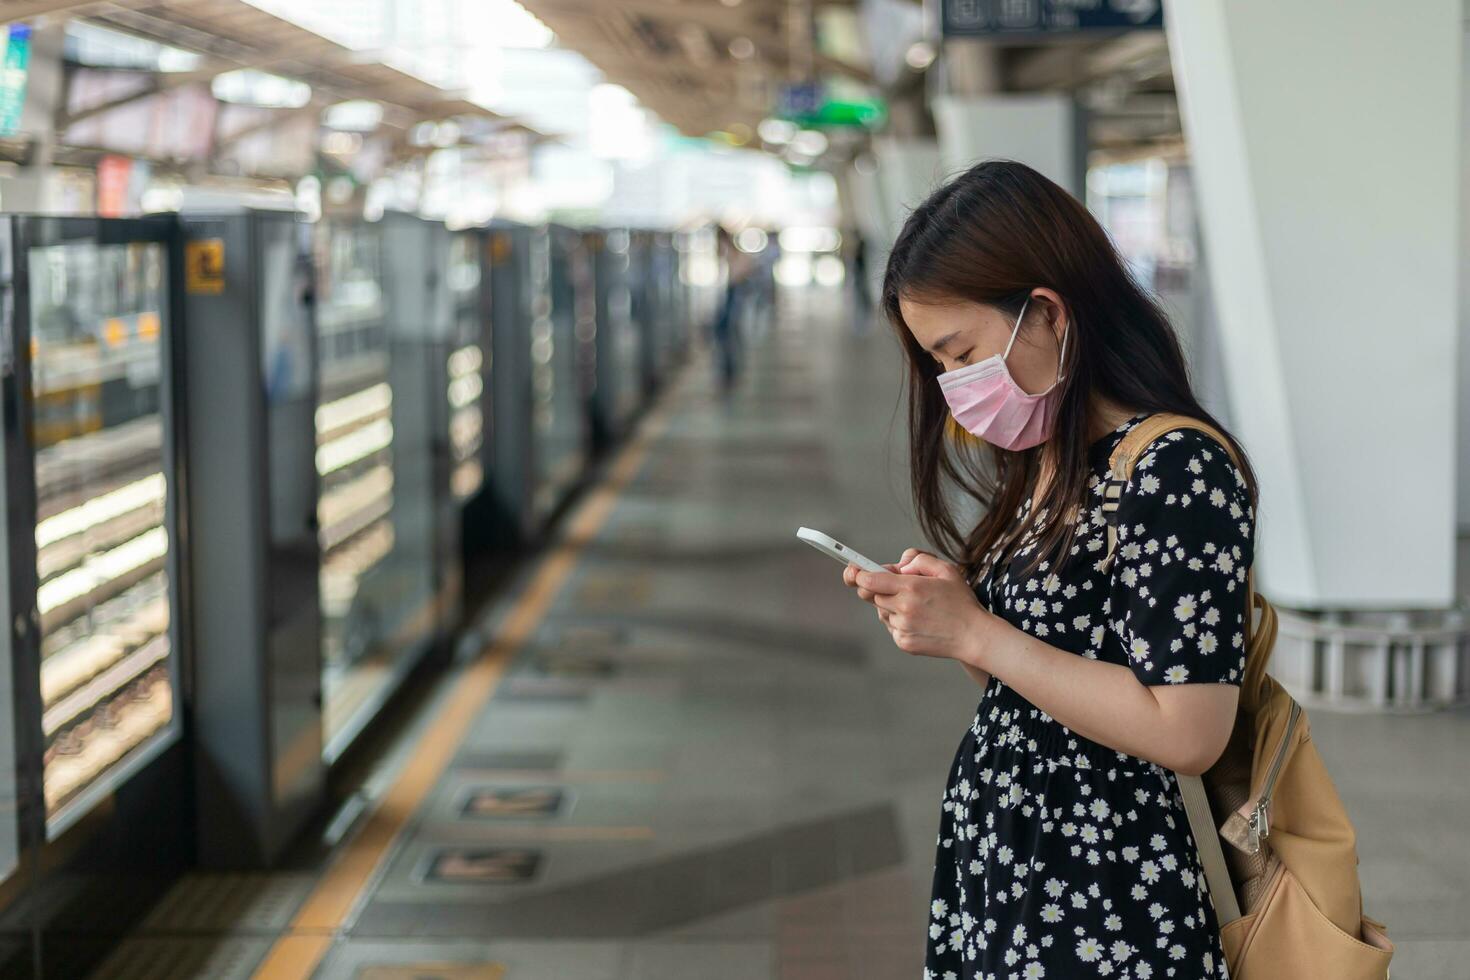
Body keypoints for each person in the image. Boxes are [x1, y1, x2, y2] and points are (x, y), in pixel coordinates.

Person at [842, 160, 1258, 979]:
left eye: (958, 352)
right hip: (1017, 872)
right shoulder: (1050, 457)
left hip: (1107, 899)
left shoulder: (1174, 466)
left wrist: (982, 634)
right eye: (936, 365)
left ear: (1047, 313)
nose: (951, 384)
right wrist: (958, 623)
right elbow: (1043, 685)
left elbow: (1188, 731)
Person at [712, 225, 756, 393]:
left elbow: (741, 270)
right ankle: (729, 370)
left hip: (733, 291)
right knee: (726, 334)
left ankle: (729, 371)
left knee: (727, 334)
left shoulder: (731, 252)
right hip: (732, 292)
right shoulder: (733, 252)